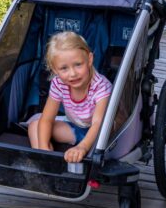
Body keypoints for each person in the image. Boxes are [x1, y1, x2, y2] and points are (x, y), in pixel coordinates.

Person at [28, 31, 111, 163]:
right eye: (64, 68)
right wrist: (43, 149)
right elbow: (47, 119)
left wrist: (82, 147)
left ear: (89, 59)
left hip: (99, 134)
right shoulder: (59, 83)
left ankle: (48, 163)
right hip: (76, 127)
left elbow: (98, 124)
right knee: (35, 126)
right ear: (55, 70)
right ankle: (45, 160)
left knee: (95, 137)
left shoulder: (100, 86)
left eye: (78, 65)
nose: (72, 73)